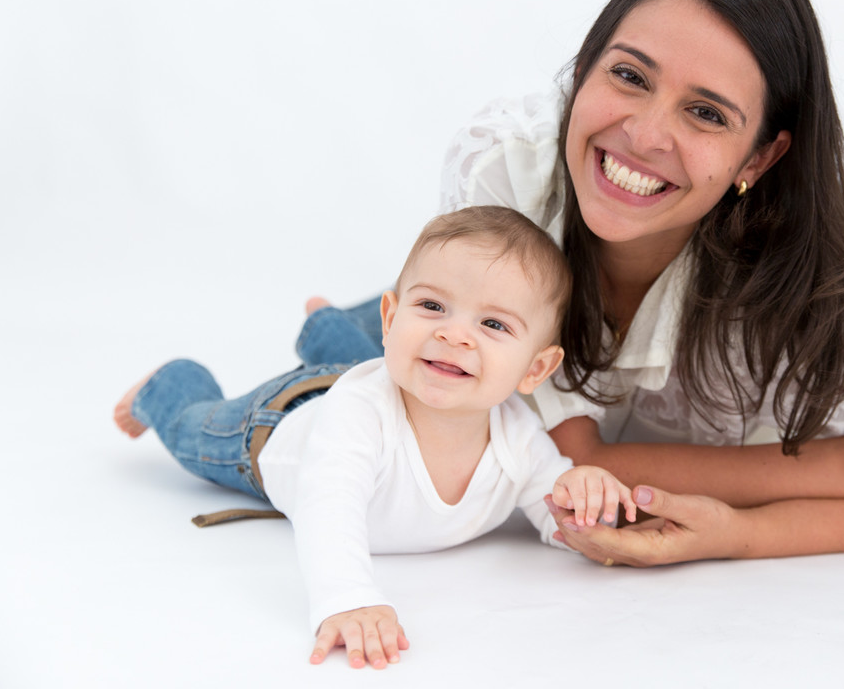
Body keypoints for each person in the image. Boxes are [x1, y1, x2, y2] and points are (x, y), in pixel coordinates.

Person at [298, 0, 844, 568]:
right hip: (477, 352)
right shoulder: (510, 170)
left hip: (496, 351)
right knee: (388, 367)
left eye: (706, 113)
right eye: (629, 76)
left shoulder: (815, 298)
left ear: (761, 155)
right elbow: (569, 453)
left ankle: (341, 323)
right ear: (584, 69)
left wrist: (737, 533)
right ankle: (348, 324)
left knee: (407, 342)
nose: (645, 133)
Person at [112, 206, 637, 669]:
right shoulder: (358, 414)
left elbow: (556, 513)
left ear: (536, 368)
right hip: (274, 426)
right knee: (192, 431)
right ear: (392, 316)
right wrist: (347, 598)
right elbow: (329, 506)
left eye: (494, 325)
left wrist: (586, 503)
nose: (454, 334)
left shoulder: (518, 437)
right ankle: (170, 383)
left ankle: (325, 324)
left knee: (360, 364)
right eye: (431, 306)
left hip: (378, 371)